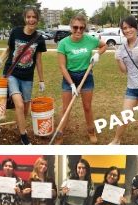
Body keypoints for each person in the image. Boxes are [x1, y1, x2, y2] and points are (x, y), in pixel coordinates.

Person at [0, 7, 46, 145]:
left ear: (37, 19)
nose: (31, 19)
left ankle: (19, 126)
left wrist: (41, 80)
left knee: (25, 108)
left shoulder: (39, 39)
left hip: (28, 76)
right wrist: (0, 59)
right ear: (25, 19)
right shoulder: (15, 32)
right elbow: (9, 49)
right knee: (20, 105)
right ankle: (23, 136)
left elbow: (38, 60)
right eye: (28, 17)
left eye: (34, 17)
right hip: (12, 74)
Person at [55, 14, 107, 144]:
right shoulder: (63, 43)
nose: (78, 30)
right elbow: (62, 66)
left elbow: (104, 46)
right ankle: (60, 134)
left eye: (81, 28)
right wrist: (72, 84)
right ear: (71, 27)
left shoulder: (90, 40)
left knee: (87, 107)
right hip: (69, 77)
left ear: (85, 28)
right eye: (75, 27)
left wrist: (97, 54)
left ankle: (91, 131)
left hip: (86, 76)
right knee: (66, 108)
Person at [109, 15, 138, 145]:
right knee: (125, 117)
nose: (128, 30)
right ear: (122, 31)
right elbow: (124, 71)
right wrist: (118, 59)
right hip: (131, 87)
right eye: (125, 28)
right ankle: (116, 141)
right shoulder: (122, 47)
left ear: (135, 28)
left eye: (130, 27)